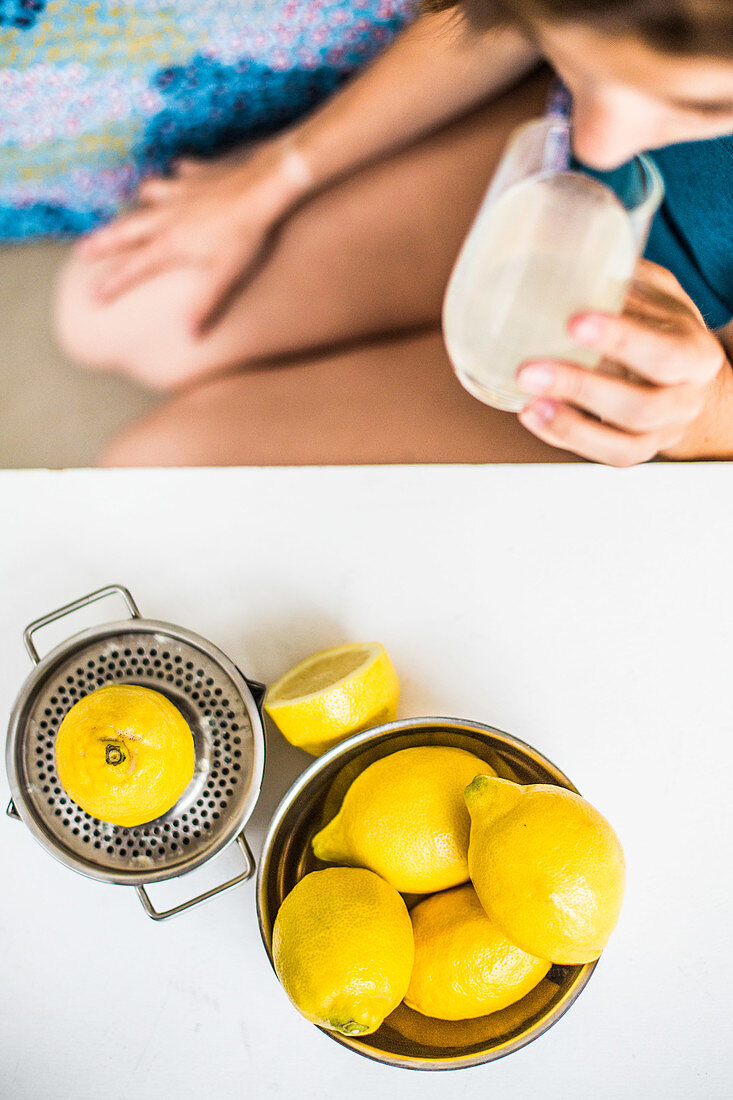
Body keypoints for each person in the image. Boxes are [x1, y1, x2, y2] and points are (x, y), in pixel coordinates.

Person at [55, 0, 733, 467]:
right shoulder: (593, 126)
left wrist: (696, 413)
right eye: (582, 71)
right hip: (546, 170)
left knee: (157, 464)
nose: (604, 145)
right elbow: (507, 23)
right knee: (102, 310)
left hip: (666, 368)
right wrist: (271, 179)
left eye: (706, 102)